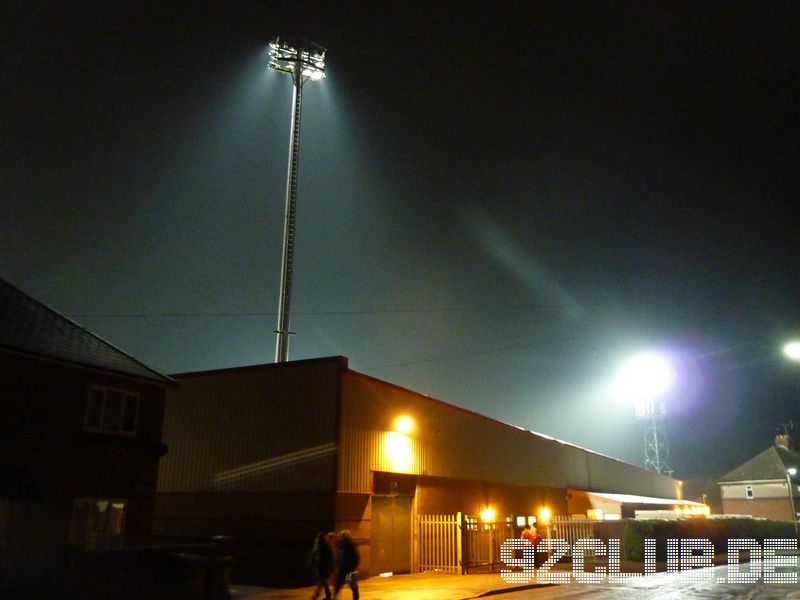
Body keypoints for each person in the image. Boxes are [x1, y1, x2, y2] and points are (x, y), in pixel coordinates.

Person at [333, 530, 359, 599]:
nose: (340, 538)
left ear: (345, 537)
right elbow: (339, 557)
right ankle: (334, 598)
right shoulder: (341, 546)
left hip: (349, 571)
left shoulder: (351, 546)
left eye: (341, 536)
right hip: (342, 571)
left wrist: (352, 567)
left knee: (353, 587)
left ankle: (356, 598)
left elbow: (356, 558)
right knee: (337, 586)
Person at [309, 532, 335, 600]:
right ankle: (327, 595)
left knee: (322, 582)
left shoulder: (324, 546)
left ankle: (316, 595)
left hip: (323, 568)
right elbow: (314, 556)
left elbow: (329, 558)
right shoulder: (320, 546)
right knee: (323, 582)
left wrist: (331, 567)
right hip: (321, 567)